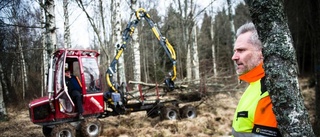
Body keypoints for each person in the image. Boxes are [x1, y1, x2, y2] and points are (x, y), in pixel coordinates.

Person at [231, 22, 281, 136]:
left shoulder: (269, 90)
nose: (234, 57)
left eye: (241, 50)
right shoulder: (254, 85)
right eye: (235, 51)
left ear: (262, 52)